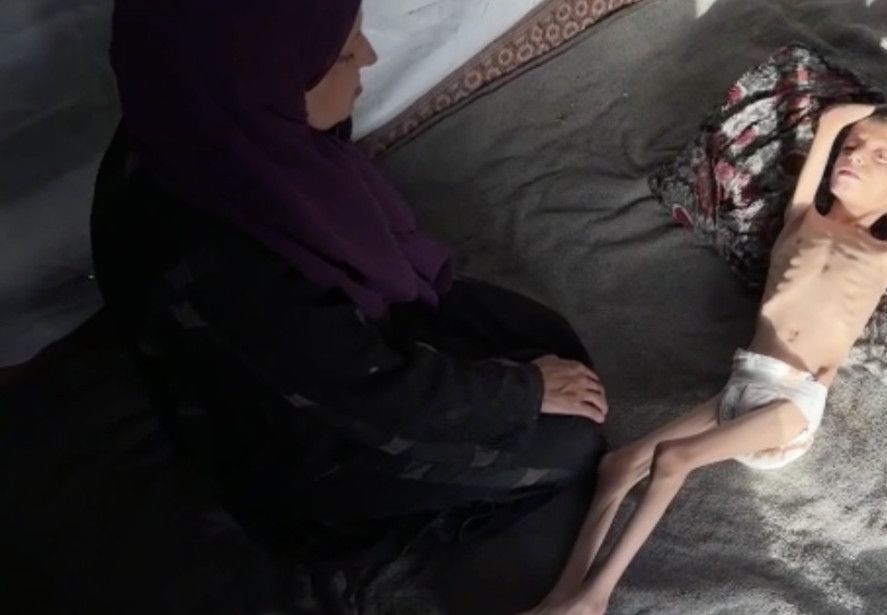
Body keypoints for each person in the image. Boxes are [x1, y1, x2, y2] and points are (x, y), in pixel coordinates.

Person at [91, 0, 609, 572]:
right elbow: (370, 395)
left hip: (336, 346)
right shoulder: (225, 271)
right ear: (266, 80)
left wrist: (517, 384)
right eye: (342, 55)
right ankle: (376, 540)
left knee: (547, 340)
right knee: (571, 441)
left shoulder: (211, 122)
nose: (369, 56)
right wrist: (521, 393)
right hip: (301, 439)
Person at [528, 103, 887, 614]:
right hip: (742, 383)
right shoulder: (803, 218)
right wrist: (840, 125)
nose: (855, 156)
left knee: (673, 459)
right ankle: (563, 593)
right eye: (852, 147)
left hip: (793, 407)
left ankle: (594, 600)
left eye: (879, 157)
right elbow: (830, 128)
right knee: (620, 465)